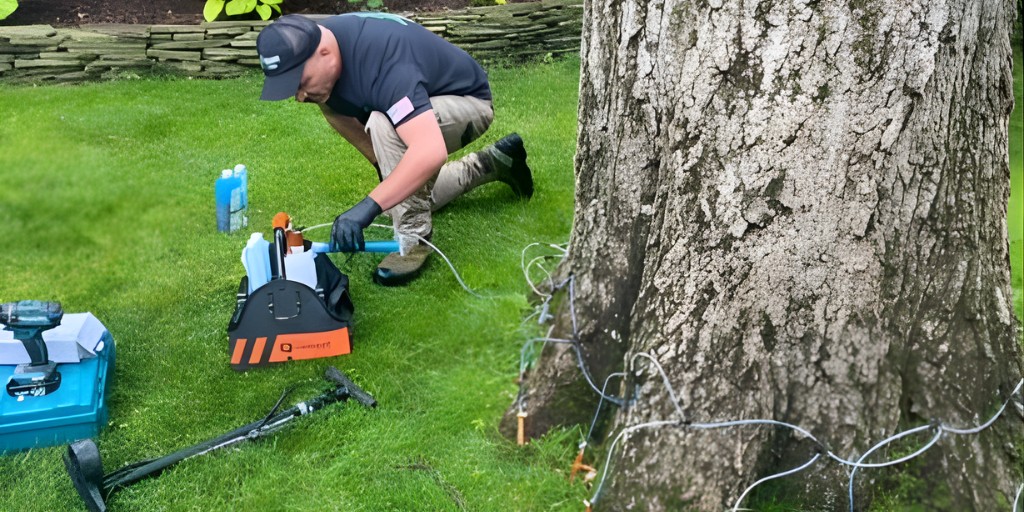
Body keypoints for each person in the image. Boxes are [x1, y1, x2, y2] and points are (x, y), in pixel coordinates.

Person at [255, 13, 533, 285]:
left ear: (325, 53)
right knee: (405, 194)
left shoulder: (382, 62)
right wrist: (386, 171)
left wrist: (367, 207)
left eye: (301, 84)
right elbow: (335, 111)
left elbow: (429, 150)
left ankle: (413, 242)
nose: (300, 96)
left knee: (384, 125)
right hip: (424, 100)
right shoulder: (321, 50)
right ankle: (495, 161)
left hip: (468, 103)